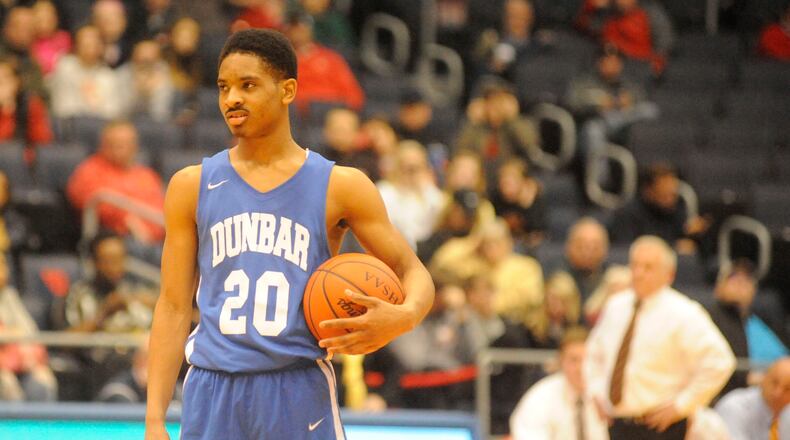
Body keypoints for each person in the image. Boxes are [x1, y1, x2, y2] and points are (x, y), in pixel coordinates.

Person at [144, 29, 434, 440]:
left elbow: (413, 271)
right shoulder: (191, 185)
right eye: (224, 88)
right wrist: (154, 417)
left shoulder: (341, 186)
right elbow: (173, 307)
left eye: (248, 85)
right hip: (212, 388)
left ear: (288, 90)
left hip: (296, 386)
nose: (232, 99)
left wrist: (402, 318)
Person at [585, 236, 735, 440]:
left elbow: (721, 361)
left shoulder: (684, 313)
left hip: (661, 425)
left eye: (648, 267)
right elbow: (594, 353)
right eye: (635, 265)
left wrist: (683, 404)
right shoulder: (616, 306)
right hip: (618, 423)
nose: (638, 273)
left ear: (669, 274)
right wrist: (596, 391)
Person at [66, 120, 165, 244]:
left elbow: (162, 208)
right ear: (103, 145)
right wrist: (127, 220)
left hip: (159, 240)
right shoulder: (89, 170)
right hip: (117, 241)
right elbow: (89, 202)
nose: (120, 149)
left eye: (125, 144)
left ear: (135, 146)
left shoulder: (147, 175)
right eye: (114, 144)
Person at [707, 259, 789, 400]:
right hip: (739, 395)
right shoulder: (707, 319)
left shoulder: (763, 321)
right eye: (734, 278)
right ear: (718, 287)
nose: (741, 283)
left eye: (747, 280)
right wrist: (753, 379)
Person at [510, 327, 609, 440]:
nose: (582, 368)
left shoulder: (606, 397)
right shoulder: (540, 398)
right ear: (561, 361)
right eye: (574, 360)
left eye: (587, 359)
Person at [58, 233, 157, 333]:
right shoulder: (77, 295)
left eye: (119, 259)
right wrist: (104, 313)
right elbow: (64, 342)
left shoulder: (132, 290)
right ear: (93, 262)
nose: (114, 267)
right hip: (96, 348)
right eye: (108, 260)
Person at [610, 163, 708, 254]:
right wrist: (672, 248)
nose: (671, 199)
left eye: (673, 193)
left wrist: (693, 235)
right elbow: (627, 250)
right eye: (665, 194)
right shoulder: (628, 214)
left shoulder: (676, 209)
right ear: (649, 191)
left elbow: (683, 240)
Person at [0, 253, 57, 401]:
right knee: (6, 383)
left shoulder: (9, 296)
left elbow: (30, 333)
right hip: (3, 368)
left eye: (3, 265)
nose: (3, 271)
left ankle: (42, 424)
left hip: (16, 362)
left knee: (42, 381)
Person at [284, 11, 364, 114]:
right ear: (287, 30)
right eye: (295, 28)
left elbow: (354, 96)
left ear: (311, 30)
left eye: (303, 28)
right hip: (299, 115)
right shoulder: (282, 60)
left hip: (333, 112)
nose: (299, 32)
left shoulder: (331, 58)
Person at [377, 140, 444, 249]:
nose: (411, 173)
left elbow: (440, 217)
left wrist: (425, 189)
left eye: (416, 168)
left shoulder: (430, 193)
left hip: (426, 250)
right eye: (407, 168)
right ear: (397, 167)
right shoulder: (384, 191)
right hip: (392, 248)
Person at [50, 25, 123, 119]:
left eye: (94, 41)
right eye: (84, 41)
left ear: (101, 46)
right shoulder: (65, 66)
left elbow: (111, 111)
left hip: (99, 125)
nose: (88, 44)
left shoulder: (108, 76)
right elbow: (63, 106)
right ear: (76, 44)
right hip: (69, 123)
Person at [716, 357, 790, 440]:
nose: (778, 393)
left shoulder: (786, 412)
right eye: (774, 382)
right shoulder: (734, 407)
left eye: (787, 388)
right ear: (763, 378)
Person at [0, 55, 53, 146]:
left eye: (4, 80)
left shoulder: (31, 105)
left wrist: (9, 108)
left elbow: (43, 142)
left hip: (23, 156)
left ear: (17, 82)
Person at [556, 217, 610, 303]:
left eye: (594, 247)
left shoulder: (611, 281)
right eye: (580, 246)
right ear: (568, 247)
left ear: (605, 250)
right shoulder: (556, 278)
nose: (587, 252)